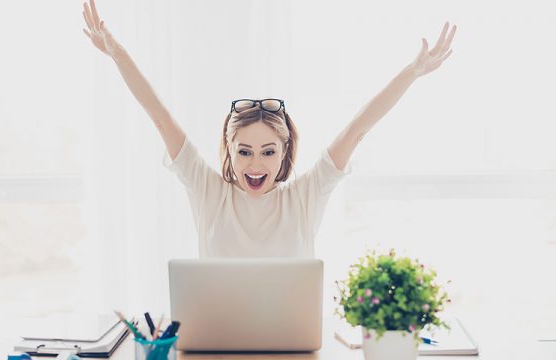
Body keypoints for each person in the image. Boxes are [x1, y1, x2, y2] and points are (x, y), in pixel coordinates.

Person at [82, 0, 456, 257]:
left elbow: (358, 129)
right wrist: (118, 53)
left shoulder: (306, 196)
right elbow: (160, 116)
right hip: (218, 341)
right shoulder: (208, 190)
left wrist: (413, 72)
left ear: (284, 152)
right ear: (229, 151)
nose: (256, 164)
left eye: (268, 151)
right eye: (244, 151)